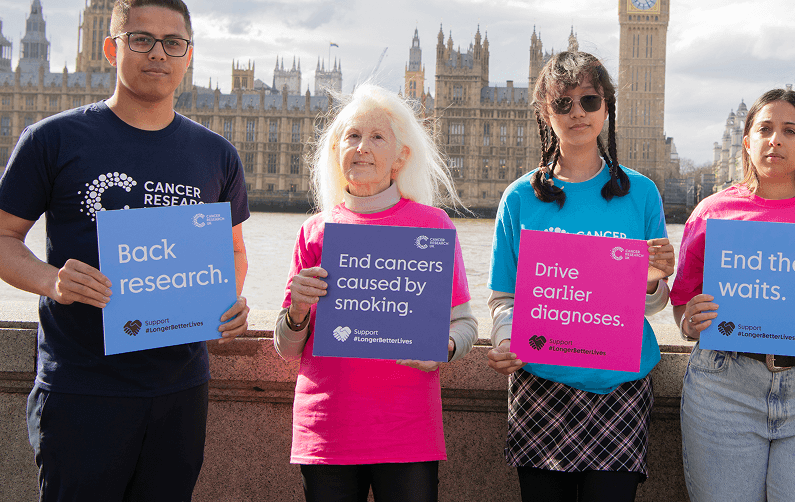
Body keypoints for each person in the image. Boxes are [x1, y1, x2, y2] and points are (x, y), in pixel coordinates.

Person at [0, 0, 250, 499]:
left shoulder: (217, 154)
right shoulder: (52, 139)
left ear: (188, 56)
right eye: (141, 39)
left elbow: (235, 251)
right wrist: (52, 279)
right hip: (81, 390)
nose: (158, 53)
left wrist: (224, 301)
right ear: (111, 47)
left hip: (180, 391)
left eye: (172, 42)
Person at [485, 51, 675, 502]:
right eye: (563, 103)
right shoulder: (519, 198)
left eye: (589, 101)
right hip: (541, 384)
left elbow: (653, 302)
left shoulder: (641, 193)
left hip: (620, 389)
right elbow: (503, 299)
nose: (577, 113)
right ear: (544, 112)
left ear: (606, 107)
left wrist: (650, 280)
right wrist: (505, 339)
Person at [273, 83, 476, 502]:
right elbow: (288, 347)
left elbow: (465, 324)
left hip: (406, 428)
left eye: (377, 137)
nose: (362, 147)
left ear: (400, 157)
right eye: (351, 136)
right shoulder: (314, 231)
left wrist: (446, 346)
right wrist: (297, 310)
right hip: (327, 426)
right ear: (335, 151)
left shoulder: (433, 227)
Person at [671, 88, 795, 502]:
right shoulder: (712, 212)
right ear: (747, 142)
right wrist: (688, 321)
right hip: (723, 387)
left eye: (789, 131)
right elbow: (682, 305)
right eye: (764, 129)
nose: (775, 140)